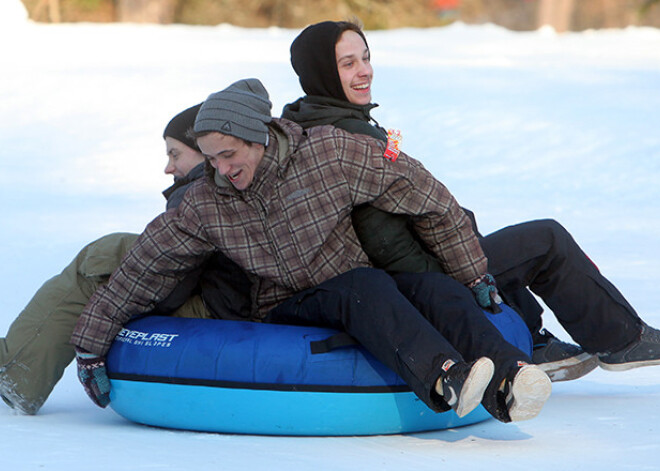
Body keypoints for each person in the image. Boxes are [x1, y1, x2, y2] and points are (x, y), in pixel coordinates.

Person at [70, 78, 552, 424]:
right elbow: (145, 267)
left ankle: (510, 377)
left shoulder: (328, 154)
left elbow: (423, 193)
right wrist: (91, 348)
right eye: (211, 159)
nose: (221, 169)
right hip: (286, 306)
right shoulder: (205, 203)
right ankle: (445, 378)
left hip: (358, 281)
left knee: (431, 287)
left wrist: (473, 275)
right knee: (363, 287)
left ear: (256, 137)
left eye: (229, 154)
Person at [280, 19, 660, 381]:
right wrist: (451, 279)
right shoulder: (346, 137)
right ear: (323, 73)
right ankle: (621, 340)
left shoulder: (313, 120)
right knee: (545, 240)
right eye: (348, 63)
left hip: (408, 269)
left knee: (467, 221)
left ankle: (531, 335)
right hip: (414, 279)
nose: (364, 71)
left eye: (366, 57)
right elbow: (380, 237)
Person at [0, 104, 251, 415]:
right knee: (111, 255)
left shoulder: (198, 193)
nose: (168, 167)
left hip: (216, 310)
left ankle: (16, 373)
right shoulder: (233, 183)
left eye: (175, 154)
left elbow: (170, 288)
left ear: (204, 153)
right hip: (228, 301)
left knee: (96, 265)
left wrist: (109, 306)